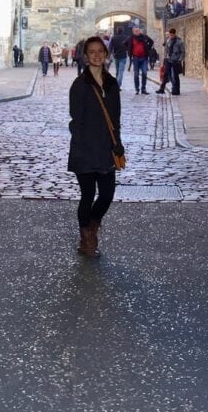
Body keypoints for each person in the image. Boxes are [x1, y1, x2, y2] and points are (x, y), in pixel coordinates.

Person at [68, 35, 124, 257]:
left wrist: (117, 143)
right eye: (92, 51)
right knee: (87, 194)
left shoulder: (111, 84)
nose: (97, 55)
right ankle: (87, 238)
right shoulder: (79, 85)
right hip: (85, 149)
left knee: (108, 194)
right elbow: (76, 119)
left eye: (101, 51)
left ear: (106, 54)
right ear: (85, 56)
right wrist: (83, 144)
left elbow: (116, 117)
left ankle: (92, 226)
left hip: (107, 149)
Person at [126, 26, 154, 95]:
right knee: (136, 74)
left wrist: (148, 48)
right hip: (135, 58)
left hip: (144, 58)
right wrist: (129, 51)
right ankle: (137, 89)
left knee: (144, 73)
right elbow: (124, 44)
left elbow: (151, 42)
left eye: (138, 30)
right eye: (136, 31)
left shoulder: (144, 37)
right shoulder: (131, 38)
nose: (137, 32)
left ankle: (143, 88)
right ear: (133, 32)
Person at [157, 27, 184, 95]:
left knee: (175, 76)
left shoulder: (179, 41)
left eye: (172, 35)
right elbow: (166, 49)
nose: (171, 36)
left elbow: (182, 52)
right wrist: (165, 57)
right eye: (170, 35)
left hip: (175, 60)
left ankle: (176, 90)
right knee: (165, 75)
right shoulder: (168, 40)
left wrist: (179, 60)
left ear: (175, 34)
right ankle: (162, 89)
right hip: (168, 60)